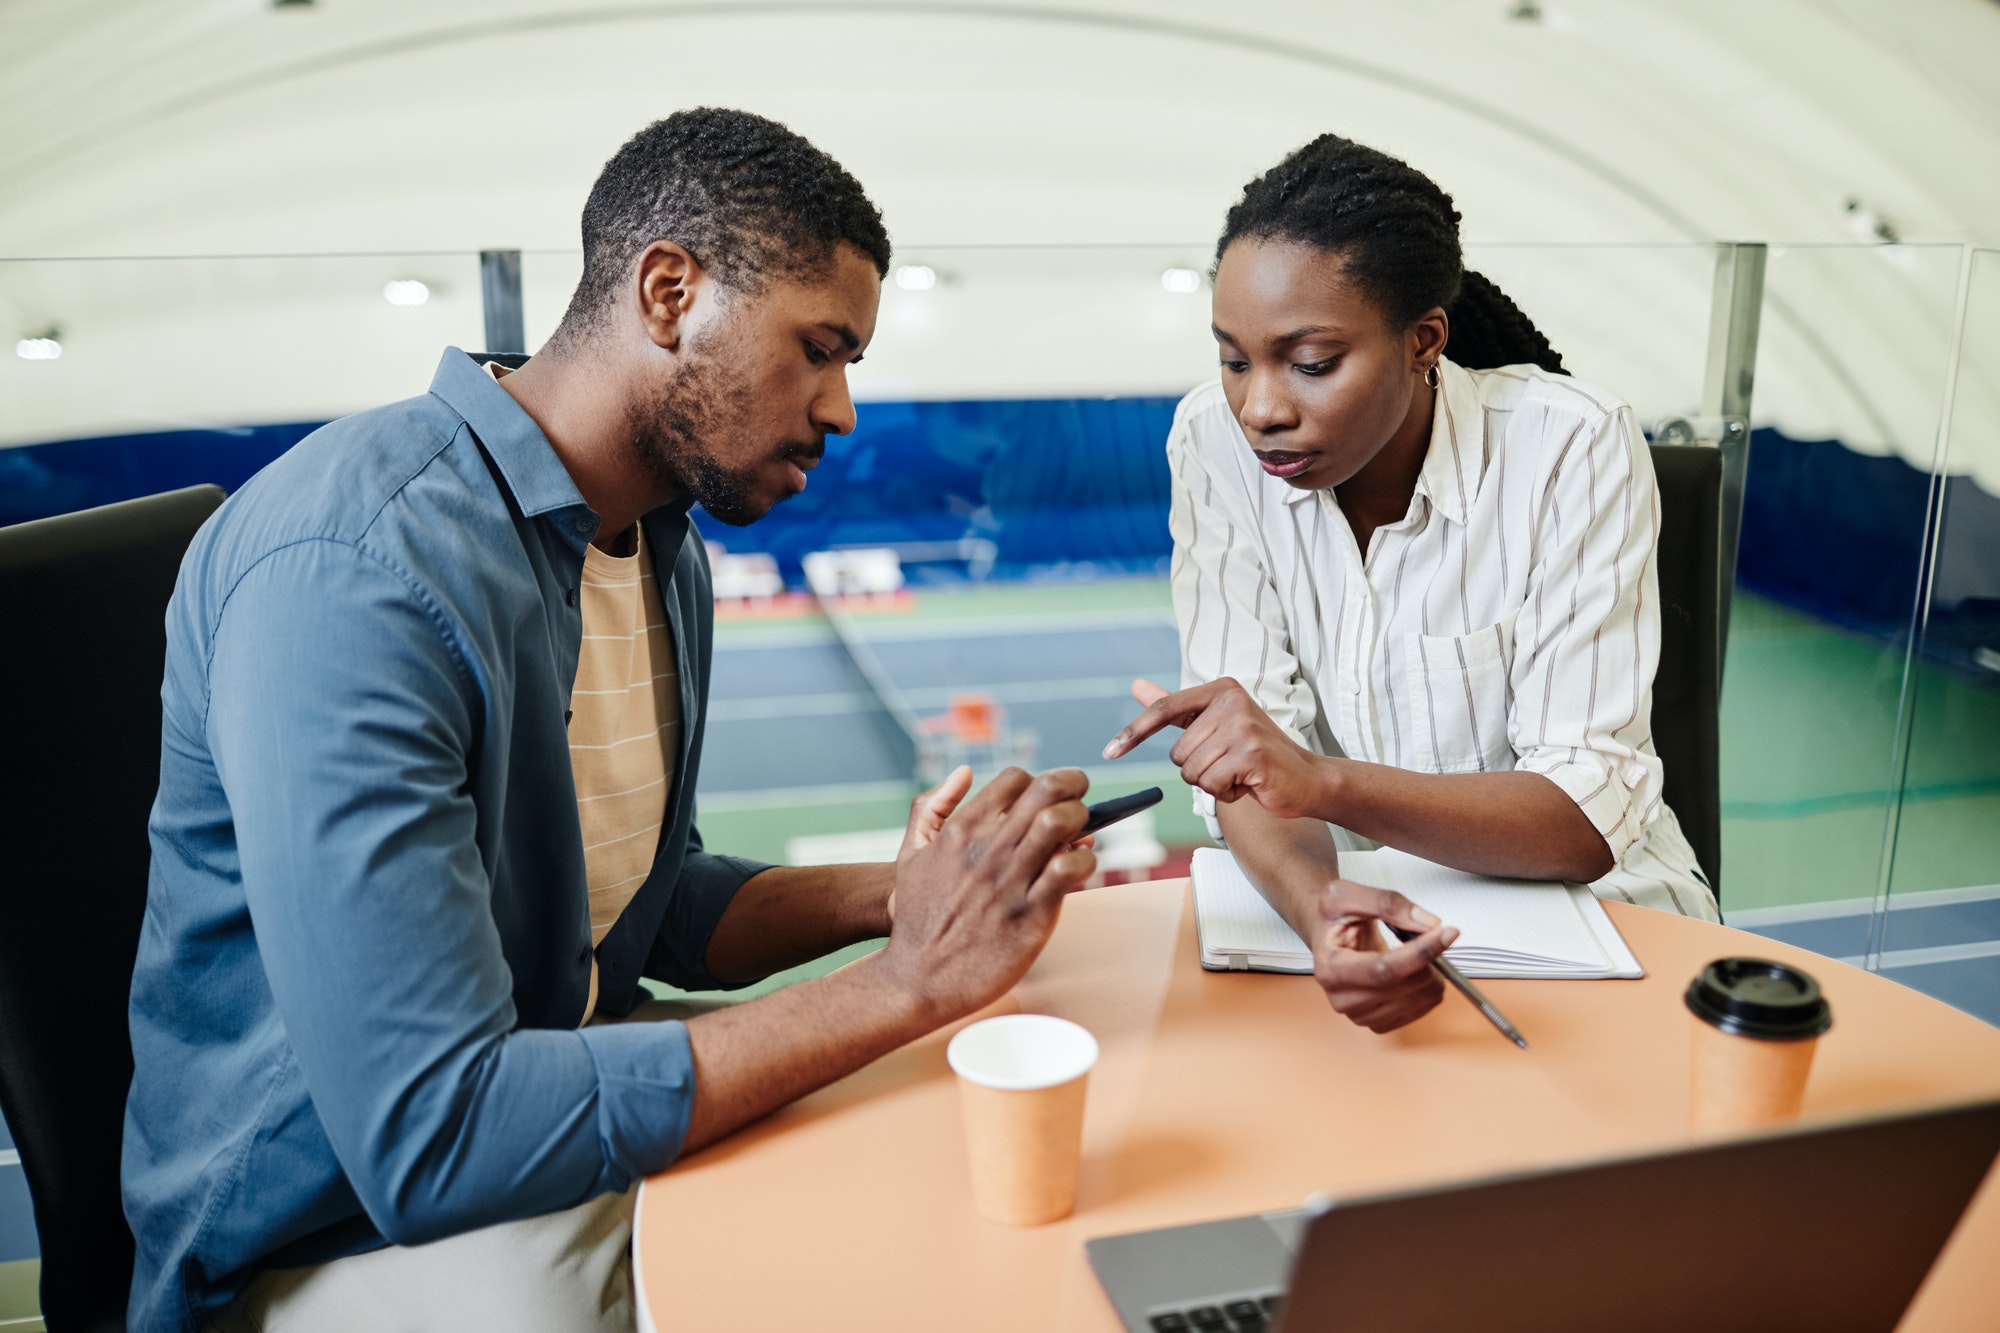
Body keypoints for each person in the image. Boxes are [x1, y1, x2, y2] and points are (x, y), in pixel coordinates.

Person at [124, 109, 1098, 1333]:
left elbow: (646, 902)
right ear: (668, 290)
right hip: (321, 1231)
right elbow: (434, 1132)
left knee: (922, 1155)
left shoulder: (654, 547)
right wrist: (903, 984)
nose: (842, 408)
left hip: (542, 1100)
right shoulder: (352, 570)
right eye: (820, 347)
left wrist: (904, 895)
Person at [1103, 134, 1717, 1035]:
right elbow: (1247, 775)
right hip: (1360, 913)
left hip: (1603, 925)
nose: (1260, 407)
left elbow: (1581, 819)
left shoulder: (1572, 443)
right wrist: (1322, 911)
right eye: (1234, 358)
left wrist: (1321, 780)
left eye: (1310, 362)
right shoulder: (1211, 439)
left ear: (1424, 340)